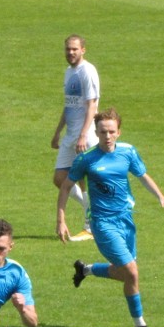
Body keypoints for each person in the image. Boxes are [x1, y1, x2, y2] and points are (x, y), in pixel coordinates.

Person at [56, 108, 164, 327]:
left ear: (118, 132)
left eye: (111, 131)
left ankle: (86, 269)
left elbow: (143, 176)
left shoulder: (128, 152)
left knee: (125, 273)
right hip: (102, 223)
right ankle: (140, 324)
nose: (107, 136)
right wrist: (61, 219)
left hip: (126, 220)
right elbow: (65, 186)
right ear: (96, 132)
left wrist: (161, 197)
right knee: (132, 271)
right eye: (102, 132)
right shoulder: (86, 159)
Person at [51, 34, 100, 241]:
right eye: (68, 49)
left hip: (84, 135)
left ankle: (90, 227)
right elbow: (69, 104)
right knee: (60, 178)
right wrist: (57, 131)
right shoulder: (69, 72)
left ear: (83, 50)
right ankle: (91, 208)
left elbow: (92, 105)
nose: (70, 52)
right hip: (70, 135)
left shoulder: (87, 71)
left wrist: (83, 135)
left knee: (84, 180)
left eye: (74, 49)